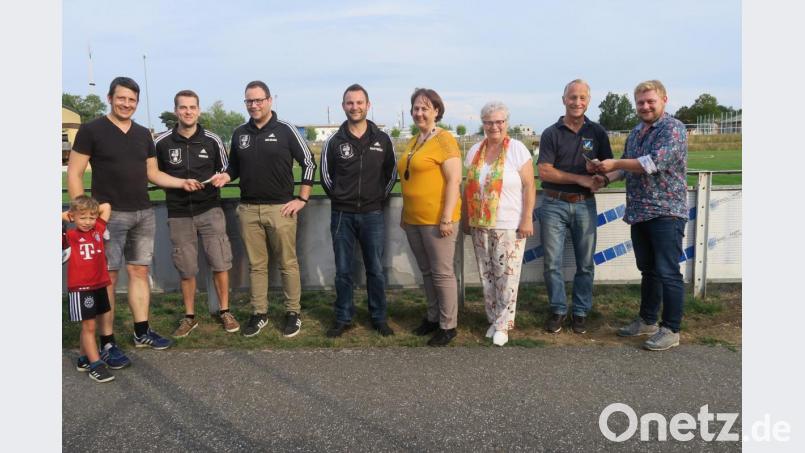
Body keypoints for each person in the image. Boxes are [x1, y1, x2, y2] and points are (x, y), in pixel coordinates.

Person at [67, 77, 203, 366]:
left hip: (143, 212)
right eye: (121, 98)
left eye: (132, 100)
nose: (126, 104)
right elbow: (75, 173)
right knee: (108, 279)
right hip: (108, 218)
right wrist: (82, 216)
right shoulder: (92, 130)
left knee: (140, 273)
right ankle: (107, 342)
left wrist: (181, 182)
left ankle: (142, 332)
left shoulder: (144, 135)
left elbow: (153, 174)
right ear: (110, 98)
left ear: (137, 103)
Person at [209, 81, 316, 338]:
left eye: (258, 100)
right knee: (257, 266)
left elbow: (309, 162)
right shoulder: (239, 133)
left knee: (288, 264)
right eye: (249, 101)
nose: (254, 105)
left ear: (269, 100)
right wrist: (226, 176)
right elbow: (234, 166)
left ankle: (293, 312)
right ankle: (259, 313)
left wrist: (302, 199)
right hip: (248, 210)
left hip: (281, 209)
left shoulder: (286, 130)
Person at [592, 80, 688, 351]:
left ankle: (671, 328)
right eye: (641, 103)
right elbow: (625, 167)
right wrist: (605, 177)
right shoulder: (636, 132)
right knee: (648, 270)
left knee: (668, 272)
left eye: (650, 102)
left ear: (664, 100)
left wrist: (617, 163)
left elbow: (651, 163)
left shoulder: (674, 129)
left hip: (666, 212)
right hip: (640, 212)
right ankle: (648, 320)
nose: (645, 107)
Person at [154, 90, 240, 337]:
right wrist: (178, 183)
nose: (188, 112)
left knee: (220, 263)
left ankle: (225, 311)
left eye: (192, 107)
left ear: (199, 110)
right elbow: (153, 173)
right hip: (179, 213)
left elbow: (226, 169)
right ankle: (189, 316)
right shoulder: (162, 142)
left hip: (210, 210)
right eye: (183, 107)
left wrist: (224, 177)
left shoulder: (212, 140)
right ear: (175, 111)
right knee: (187, 268)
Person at [320, 84, 397, 338]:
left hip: (373, 214)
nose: (355, 107)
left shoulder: (382, 139)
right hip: (342, 214)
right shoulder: (334, 141)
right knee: (343, 270)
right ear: (344, 106)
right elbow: (326, 177)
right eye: (350, 103)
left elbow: (391, 174)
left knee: (375, 268)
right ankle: (343, 317)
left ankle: (379, 317)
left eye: (359, 102)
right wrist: (342, 199)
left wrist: (376, 199)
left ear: (368, 105)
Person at [537, 79, 612, 334]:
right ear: (564, 100)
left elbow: (610, 169)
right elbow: (545, 172)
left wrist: (601, 177)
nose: (577, 102)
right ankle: (558, 309)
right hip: (553, 203)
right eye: (572, 97)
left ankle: (580, 312)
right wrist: (581, 178)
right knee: (551, 263)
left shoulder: (598, 132)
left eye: (582, 98)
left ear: (588, 100)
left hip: (584, 205)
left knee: (585, 264)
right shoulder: (551, 133)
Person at [462, 101, 535, 346]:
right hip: (480, 223)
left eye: (499, 122)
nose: (494, 126)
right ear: (482, 124)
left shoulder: (517, 150)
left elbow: (529, 186)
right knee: (487, 274)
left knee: (507, 276)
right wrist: (465, 218)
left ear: (506, 123)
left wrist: (527, 218)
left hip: (509, 224)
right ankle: (493, 318)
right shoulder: (474, 152)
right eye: (489, 122)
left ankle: (504, 324)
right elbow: (467, 188)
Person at [399, 88, 462, 347]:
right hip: (414, 219)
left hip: (437, 220)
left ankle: (448, 325)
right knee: (426, 272)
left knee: (442, 273)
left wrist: (446, 217)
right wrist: (405, 214)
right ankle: (433, 317)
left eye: (425, 108)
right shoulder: (415, 141)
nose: (419, 113)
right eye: (416, 108)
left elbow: (454, 179)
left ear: (437, 111)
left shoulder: (444, 139)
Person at [63, 196, 115, 383]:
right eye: (82, 218)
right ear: (73, 217)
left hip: (99, 283)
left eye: (91, 217)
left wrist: (87, 210)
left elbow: (106, 205)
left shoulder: (98, 230)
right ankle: (96, 365)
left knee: (92, 324)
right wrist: (65, 216)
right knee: (89, 326)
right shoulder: (70, 236)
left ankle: (84, 359)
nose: (87, 222)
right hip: (80, 287)